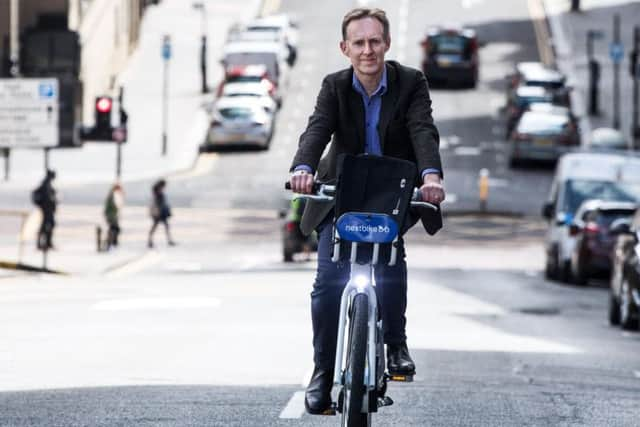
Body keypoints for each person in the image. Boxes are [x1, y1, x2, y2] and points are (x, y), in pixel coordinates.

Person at [288, 7, 445, 414]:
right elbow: (318, 128)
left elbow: (422, 129)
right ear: (345, 48)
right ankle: (322, 372)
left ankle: (395, 346)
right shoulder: (335, 86)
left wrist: (431, 176)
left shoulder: (411, 82)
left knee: (391, 264)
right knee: (327, 283)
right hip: (342, 192)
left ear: (387, 44)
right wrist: (303, 168)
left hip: (390, 192)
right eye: (358, 43)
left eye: (375, 41)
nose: (367, 50)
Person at [32, 169, 58, 250]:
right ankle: (43, 243)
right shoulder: (45, 184)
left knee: (49, 225)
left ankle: (47, 242)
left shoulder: (47, 184)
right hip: (46, 209)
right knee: (45, 226)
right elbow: (46, 197)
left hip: (48, 209)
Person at [147, 179, 176, 248]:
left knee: (164, 227)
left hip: (160, 213)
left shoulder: (157, 193)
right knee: (157, 227)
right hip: (159, 213)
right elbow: (158, 204)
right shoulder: (157, 193)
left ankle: (151, 241)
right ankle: (150, 241)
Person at [103, 183, 124, 250]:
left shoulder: (113, 195)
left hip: (112, 215)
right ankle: (110, 242)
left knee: (115, 228)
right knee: (114, 228)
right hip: (111, 215)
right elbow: (113, 205)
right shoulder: (112, 195)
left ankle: (112, 242)